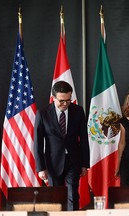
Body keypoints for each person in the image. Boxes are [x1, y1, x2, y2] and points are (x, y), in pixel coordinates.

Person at [34, 81, 89, 210]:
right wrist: (40, 167)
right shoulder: (42, 114)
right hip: (53, 162)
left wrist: (84, 164)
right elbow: (38, 142)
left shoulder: (78, 111)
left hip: (73, 161)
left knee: (72, 195)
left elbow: (84, 139)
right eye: (61, 101)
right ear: (53, 98)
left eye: (68, 100)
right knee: (55, 197)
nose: (65, 104)